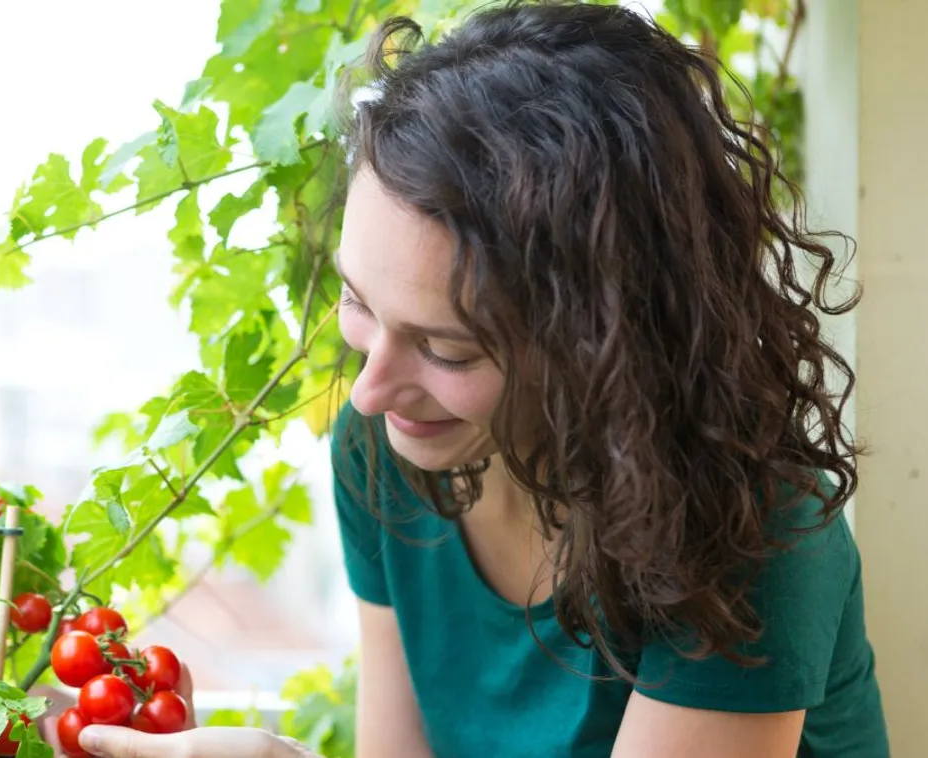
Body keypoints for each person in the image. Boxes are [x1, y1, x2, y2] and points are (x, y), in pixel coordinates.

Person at [68, 0, 891, 756]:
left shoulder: (750, 530)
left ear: (603, 345)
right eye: (358, 301)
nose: (367, 390)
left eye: (448, 350)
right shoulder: (387, 444)